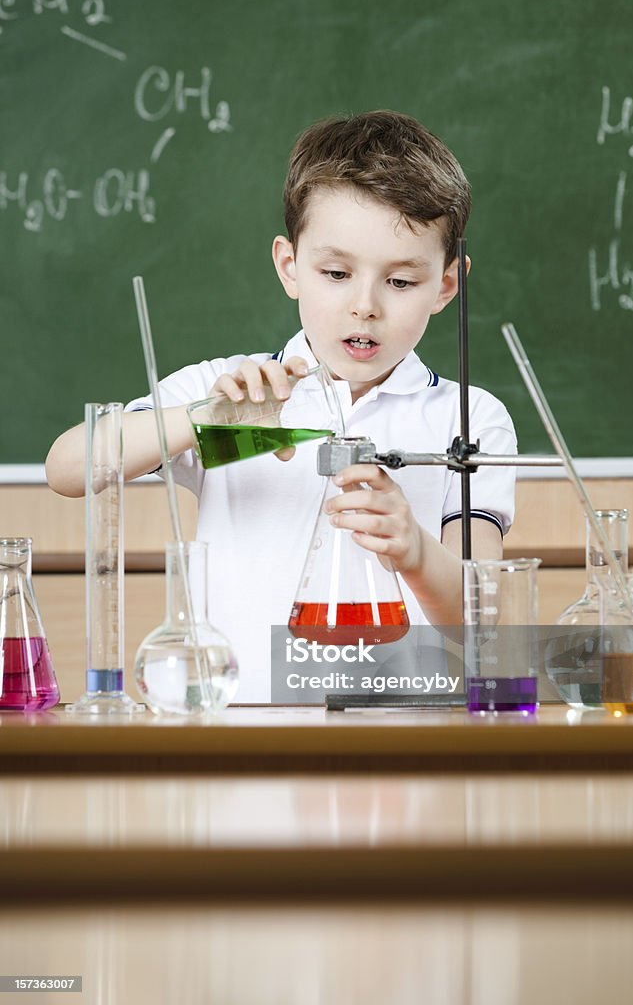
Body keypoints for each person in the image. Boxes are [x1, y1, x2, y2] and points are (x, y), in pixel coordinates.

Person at [45, 109, 516, 702]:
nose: (364, 305)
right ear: (290, 266)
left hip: (405, 730)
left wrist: (416, 550)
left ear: (447, 285)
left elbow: (482, 618)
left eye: (400, 282)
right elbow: (68, 467)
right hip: (244, 732)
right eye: (337, 272)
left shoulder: (468, 418)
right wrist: (203, 421)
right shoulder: (231, 391)